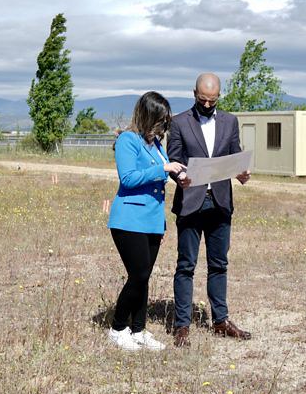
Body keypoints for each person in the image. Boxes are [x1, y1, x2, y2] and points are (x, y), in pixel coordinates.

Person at [167, 73, 252, 348]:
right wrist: (179, 176)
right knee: (186, 266)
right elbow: (174, 158)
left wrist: (241, 173)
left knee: (219, 264)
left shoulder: (230, 121)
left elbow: (235, 155)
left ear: (219, 96)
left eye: (212, 101)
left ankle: (220, 321)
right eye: (202, 99)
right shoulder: (179, 122)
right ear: (194, 94)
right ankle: (182, 326)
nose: (206, 105)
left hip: (220, 202)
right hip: (191, 202)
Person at [106, 91, 186, 351]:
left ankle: (138, 330)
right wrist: (163, 168)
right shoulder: (128, 140)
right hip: (129, 220)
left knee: (144, 277)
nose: (164, 124)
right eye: (161, 119)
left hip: (151, 220)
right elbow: (128, 178)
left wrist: (179, 177)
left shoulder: (157, 145)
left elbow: (159, 184)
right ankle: (118, 328)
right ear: (148, 116)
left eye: (166, 120)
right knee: (138, 274)